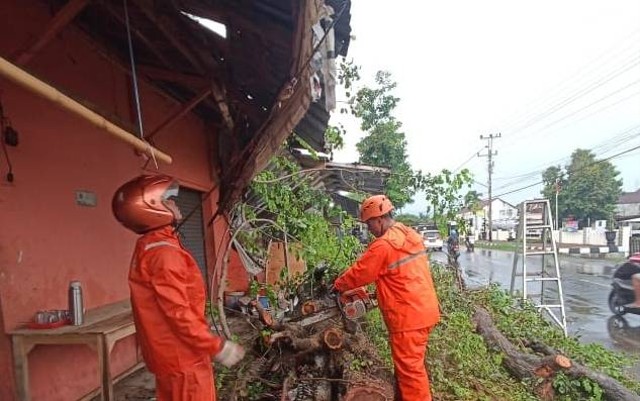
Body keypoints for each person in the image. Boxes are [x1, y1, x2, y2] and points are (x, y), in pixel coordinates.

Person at [112, 174, 245, 401]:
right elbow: (178, 313)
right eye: (169, 200)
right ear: (153, 209)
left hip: (170, 356)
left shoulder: (150, 246)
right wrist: (216, 346)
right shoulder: (163, 254)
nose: (175, 203)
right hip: (183, 358)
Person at [332, 195, 440, 401]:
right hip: (423, 309)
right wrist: (379, 293)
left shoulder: (384, 245)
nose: (369, 230)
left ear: (378, 219)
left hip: (408, 317)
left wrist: (337, 286)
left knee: (411, 373)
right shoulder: (409, 234)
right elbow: (403, 276)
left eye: (369, 224)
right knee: (411, 367)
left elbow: (360, 273)